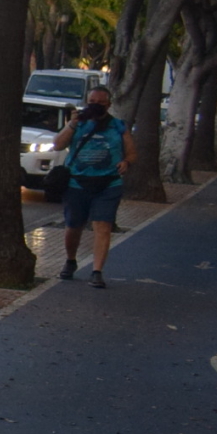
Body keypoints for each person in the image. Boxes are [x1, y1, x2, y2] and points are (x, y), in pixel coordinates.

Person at [55, 87, 134, 288]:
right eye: (92, 101)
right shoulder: (77, 124)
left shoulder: (118, 126)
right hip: (77, 183)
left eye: (100, 102)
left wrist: (126, 162)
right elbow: (57, 144)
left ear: (108, 104)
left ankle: (97, 271)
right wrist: (72, 123)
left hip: (108, 184)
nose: (95, 105)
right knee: (73, 225)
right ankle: (71, 260)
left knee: (102, 226)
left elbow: (132, 153)